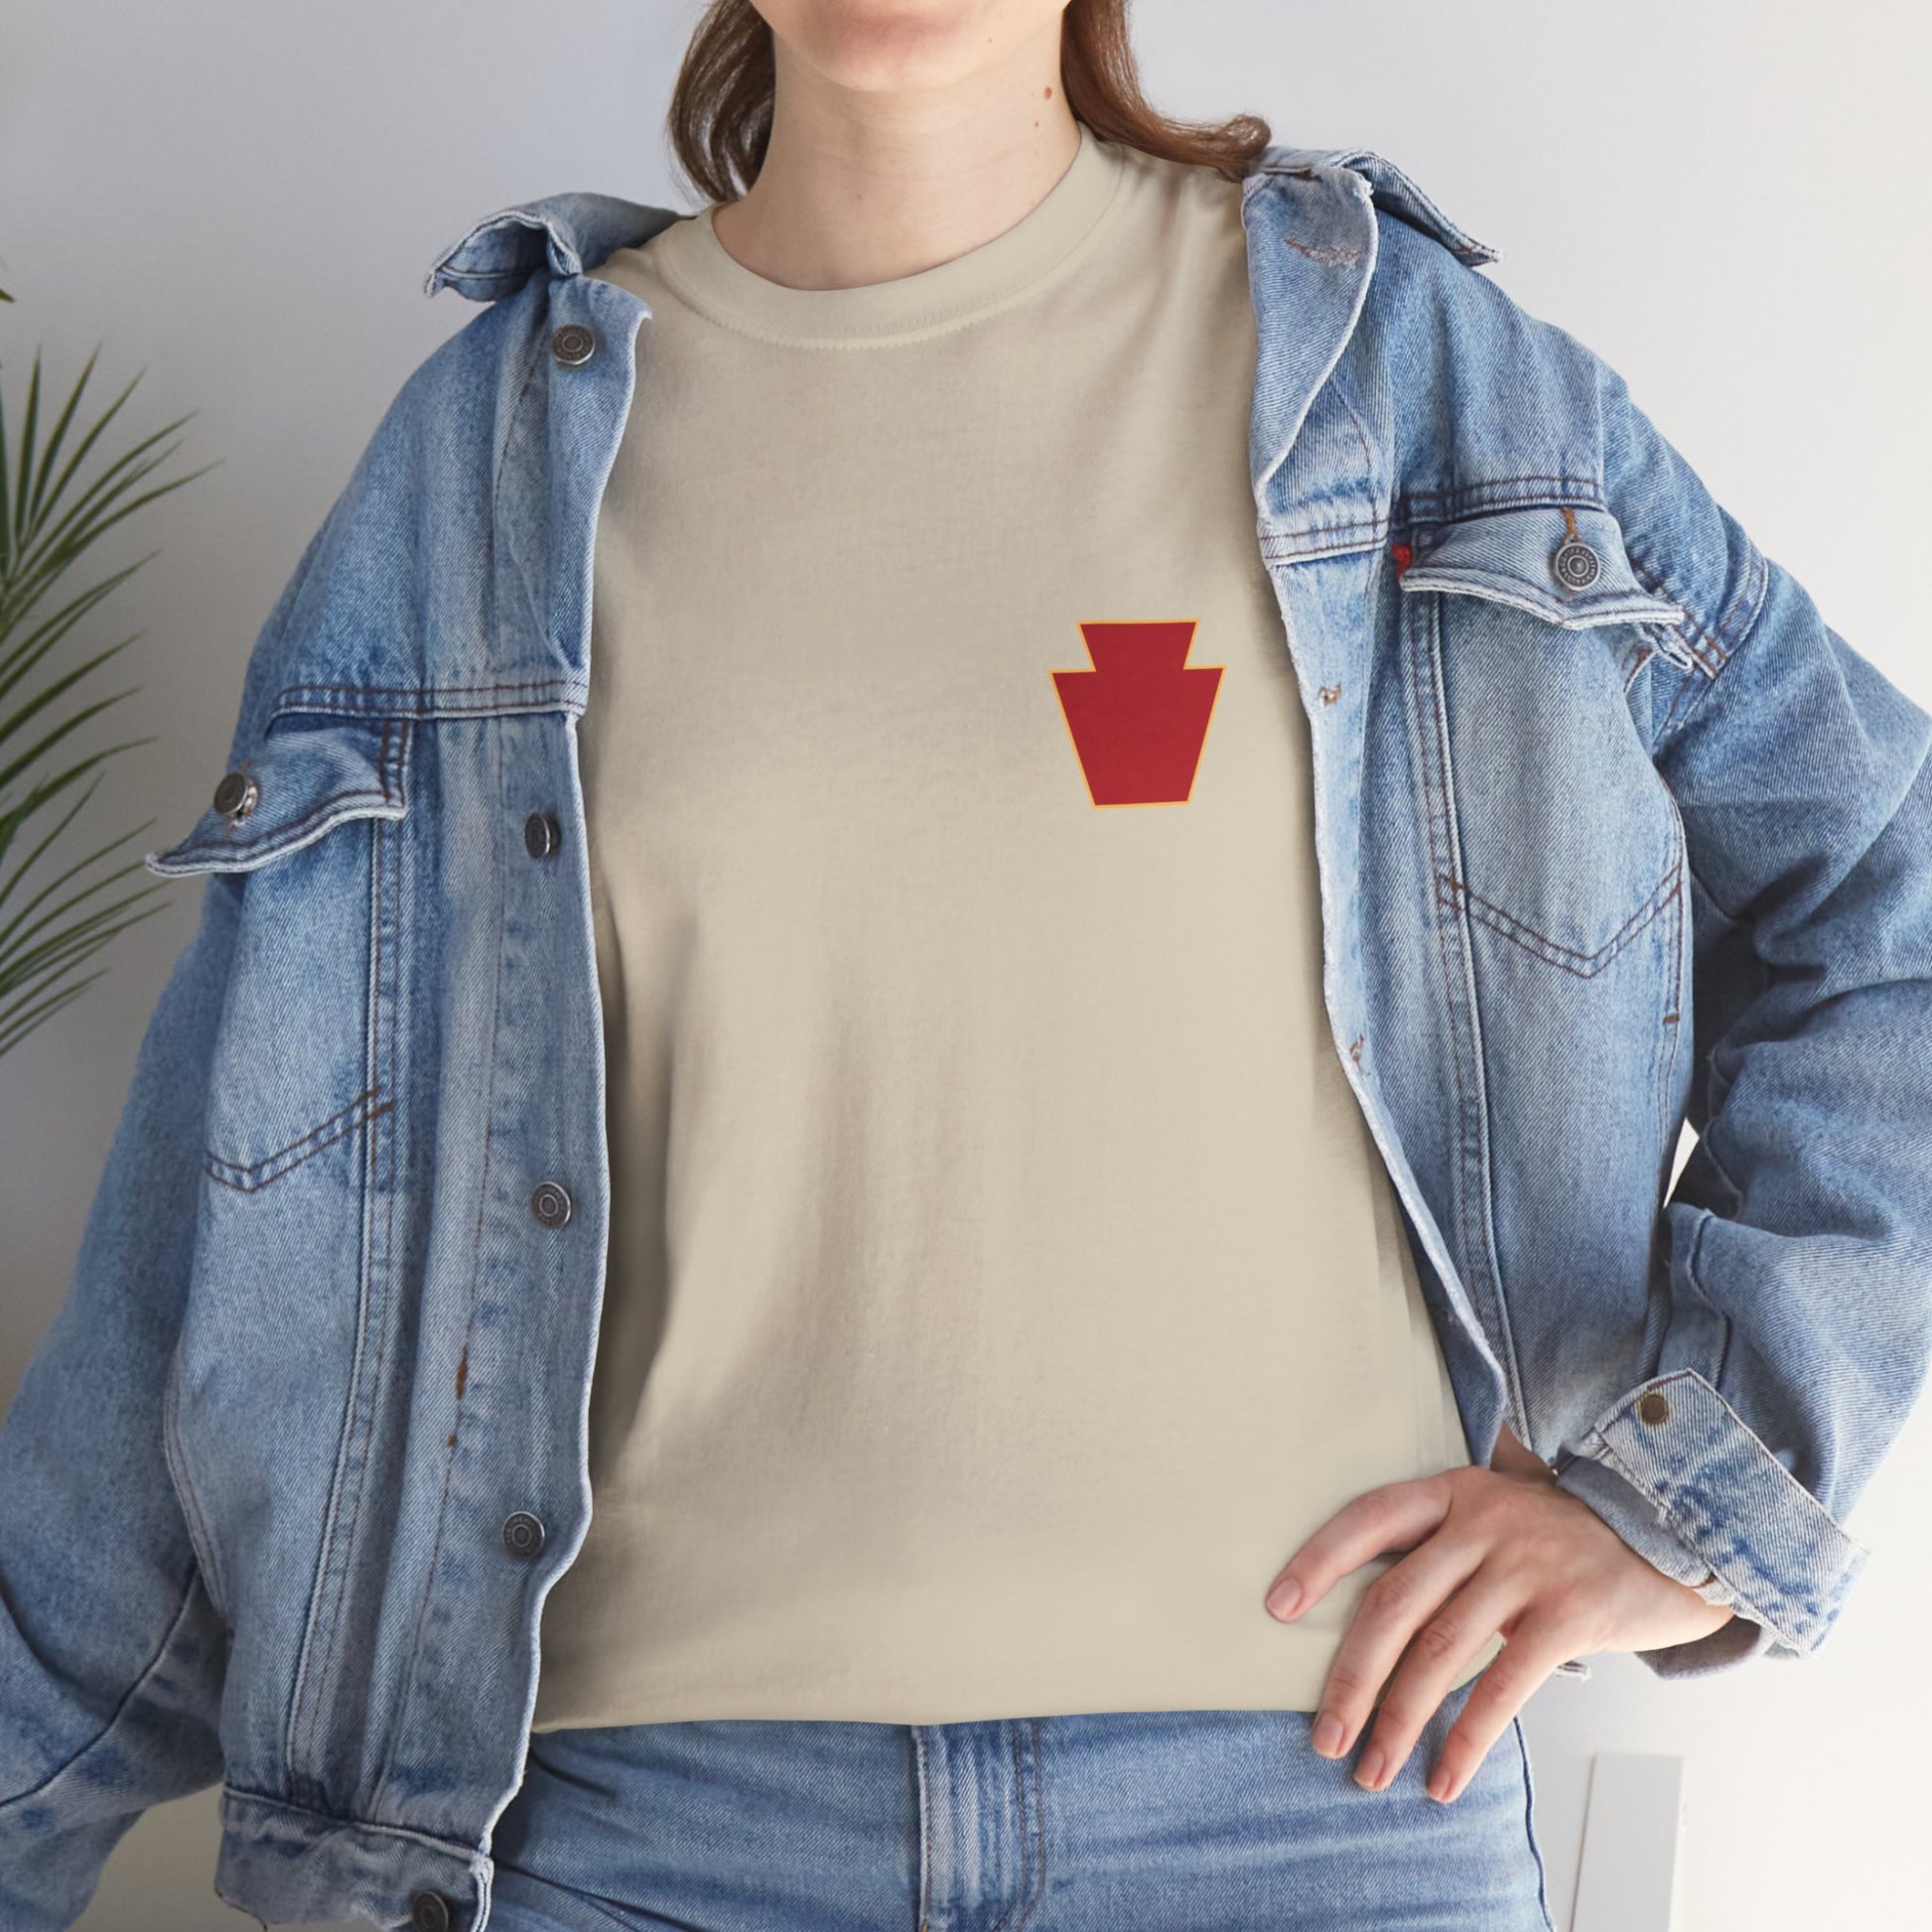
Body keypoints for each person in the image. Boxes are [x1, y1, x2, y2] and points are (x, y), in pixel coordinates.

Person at [3, 2, 1928, 1928]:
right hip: (632, 1836)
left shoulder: (1408, 376)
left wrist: (1694, 1504)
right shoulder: (479, 462)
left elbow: (1883, 902)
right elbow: (224, 1253)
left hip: (1319, 1812)